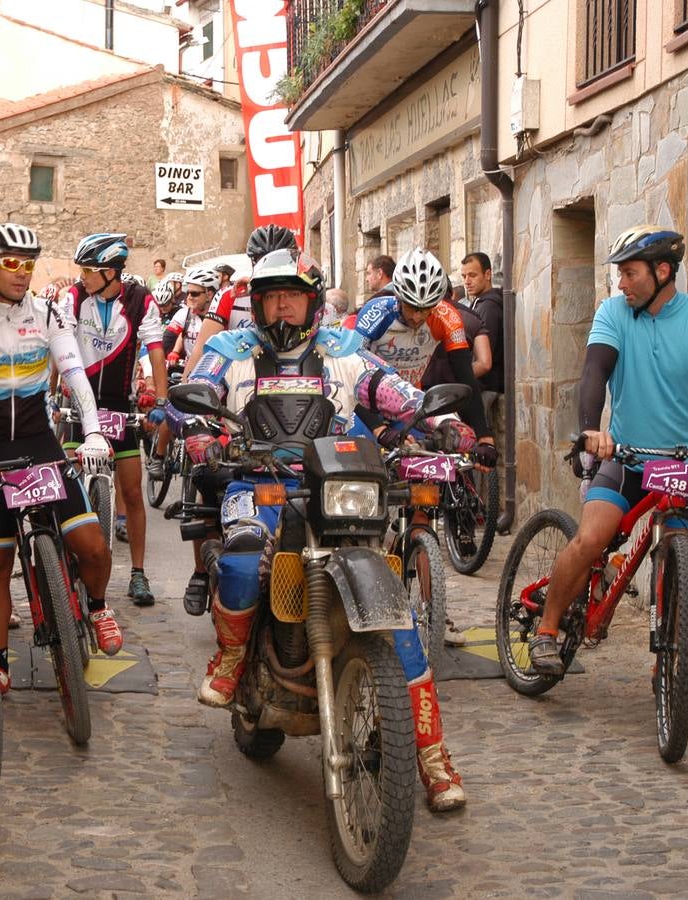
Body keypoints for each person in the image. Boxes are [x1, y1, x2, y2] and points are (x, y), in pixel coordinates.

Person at [177, 249, 474, 812]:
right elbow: (197, 400)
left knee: (401, 619)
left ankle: (433, 759)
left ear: (312, 302)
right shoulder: (228, 349)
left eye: (292, 295)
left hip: (337, 487)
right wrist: (201, 434)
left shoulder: (344, 351)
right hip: (258, 485)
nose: (282, 306)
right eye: (271, 296)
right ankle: (233, 655)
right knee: (241, 557)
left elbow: (395, 395)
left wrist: (443, 424)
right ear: (257, 304)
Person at [527, 225, 688, 674]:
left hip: (686, 462)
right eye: (619, 275)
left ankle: (675, 651)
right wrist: (592, 430)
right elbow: (594, 375)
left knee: (683, 550)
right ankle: (547, 630)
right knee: (590, 539)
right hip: (625, 457)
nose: (620, 283)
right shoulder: (613, 314)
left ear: (662, 272)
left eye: (629, 273)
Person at [0, 224, 124, 695]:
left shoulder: (49, 313)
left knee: (93, 545)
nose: (22, 274)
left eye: (29, 265)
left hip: (41, 446)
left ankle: (98, 606)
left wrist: (95, 431)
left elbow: (74, 372)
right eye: (13, 264)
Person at [61, 233, 167, 606]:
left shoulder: (140, 301)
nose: (82, 276)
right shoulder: (73, 297)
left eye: (88, 270)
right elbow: (56, 346)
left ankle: (138, 573)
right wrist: (49, 392)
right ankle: (63, 565)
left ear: (109, 273)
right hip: (78, 405)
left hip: (119, 405)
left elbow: (156, 352)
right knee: (67, 487)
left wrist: (161, 400)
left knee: (133, 492)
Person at [354, 248, 497, 469]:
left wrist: (484, 437)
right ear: (399, 296)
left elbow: (465, 378)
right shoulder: (376, 314)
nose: (418, 316)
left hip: (409, 407)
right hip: (366, 409)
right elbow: (352, 373)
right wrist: (379, 429)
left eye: (426, 309)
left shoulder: (448, 317)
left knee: (433, 473)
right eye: (411, 307)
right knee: (366, 476)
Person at [147, 265, 221, 613]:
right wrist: (173, 362)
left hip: (221, 384)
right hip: (196, 374)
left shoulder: (225, 310)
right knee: (172, 402)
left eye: (195, 295)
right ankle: (159, 457)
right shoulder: (185, 315)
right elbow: (171, 341)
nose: (189, 300)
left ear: (209, 294)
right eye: (187, 294)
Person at [182, 225, 300, 378]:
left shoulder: (307, 294)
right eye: (264, 261)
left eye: (279, 261)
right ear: (253, 262)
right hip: (242, 379)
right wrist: (185, 388)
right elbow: (201, 348)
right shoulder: (230, 295)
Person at [460, 252, 505, 434]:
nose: (467, 281)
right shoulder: (481, 304)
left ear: (488, 274)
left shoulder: (488, 307)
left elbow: (485, 357)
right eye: (464, 276)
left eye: (473, 275)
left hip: (486, 386)